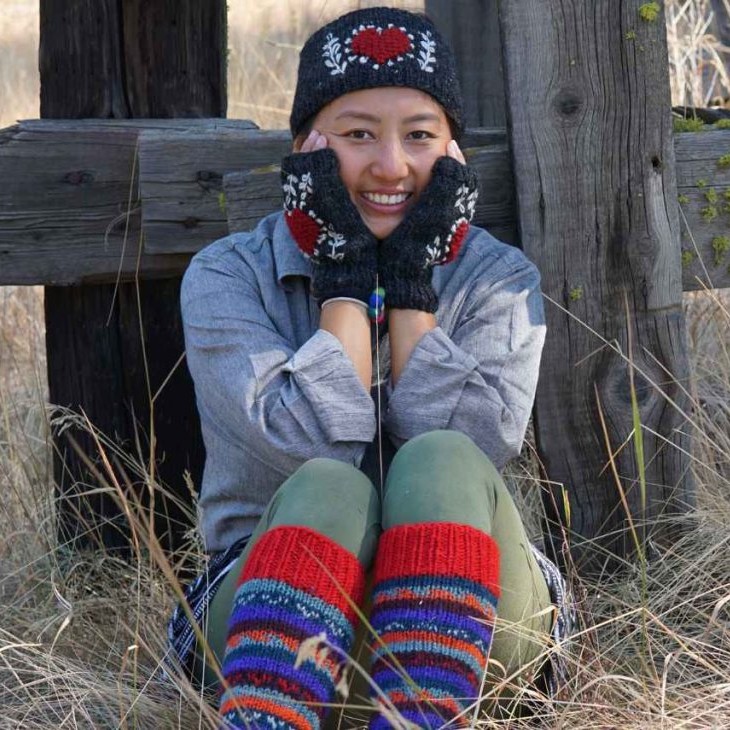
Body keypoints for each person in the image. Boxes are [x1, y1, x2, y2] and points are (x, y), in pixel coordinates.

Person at [168, 6, 572, 729]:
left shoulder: (499, 278)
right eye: (358, 135)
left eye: (419, 135)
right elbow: (313, 448)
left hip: (471, 633)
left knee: (442, 456)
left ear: (452, 151)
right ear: (307, 148)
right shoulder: (227, 277)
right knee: (330, 486)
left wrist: (412, 281)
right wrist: (345, 276)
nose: (391, 166)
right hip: (275, 630)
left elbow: (476, 447)